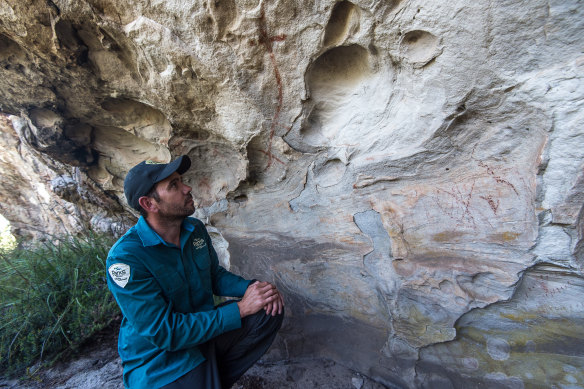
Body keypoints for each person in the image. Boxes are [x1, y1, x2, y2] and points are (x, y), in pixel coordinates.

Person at [106, 155, 284, 389]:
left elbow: (213, 276)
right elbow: (165, 332)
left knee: (268, 311)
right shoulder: (125, 259)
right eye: (174, 186)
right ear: (149, 204)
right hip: (161, 360)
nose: (187, 188)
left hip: (202, 335)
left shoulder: (194, 229)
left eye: (181, 180)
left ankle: (213, 378)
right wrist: (240, 309)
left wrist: (253, 289)